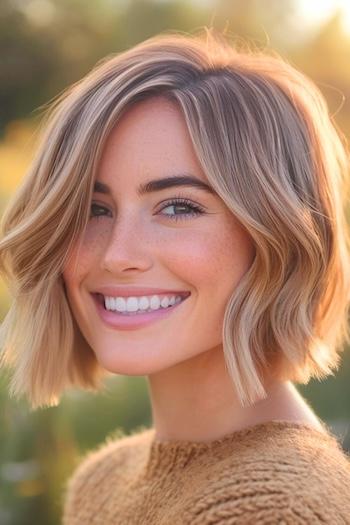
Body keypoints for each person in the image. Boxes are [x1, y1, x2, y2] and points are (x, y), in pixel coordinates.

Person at [0, 29, 349, 524]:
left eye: (178, 206)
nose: (118, 255)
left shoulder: (278, 510)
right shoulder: (105, 480)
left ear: (280, 234)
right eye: (94, 209)